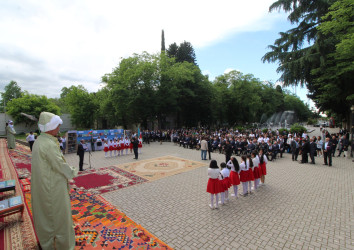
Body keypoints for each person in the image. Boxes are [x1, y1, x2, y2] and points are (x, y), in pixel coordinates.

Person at [31, 112, 78, 250]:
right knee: (59, 217)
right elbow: (60, 165)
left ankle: (48, 241)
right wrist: (73, 171)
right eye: (57, 125)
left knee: (46, 215)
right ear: (50, 127)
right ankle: (61, 245)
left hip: (45, 184)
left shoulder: (40, 140)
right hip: (52, 188)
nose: (59, 128)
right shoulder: (48, 144)